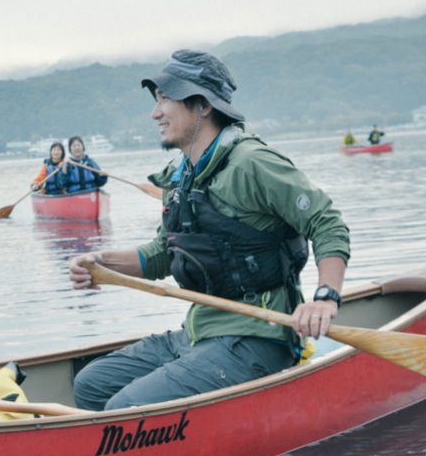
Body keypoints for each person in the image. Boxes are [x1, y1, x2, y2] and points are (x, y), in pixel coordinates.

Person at [69, 49, 350, 411]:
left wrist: (326, 297)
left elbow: (326, 222)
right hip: (198, 332)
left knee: (125, 407)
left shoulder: (252, 164)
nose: (155, 113)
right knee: (90, 384)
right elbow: (164, 253)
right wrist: (101, 264)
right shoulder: (179, 175)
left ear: (201, 105)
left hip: (254, 337)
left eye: (165, 100)